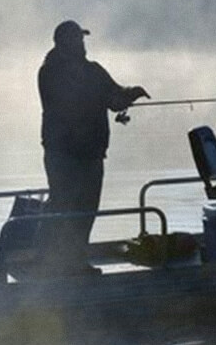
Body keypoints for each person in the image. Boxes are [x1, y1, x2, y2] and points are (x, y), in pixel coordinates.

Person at [37, 20, 149, 268]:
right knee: (65, 208)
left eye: (82, 39)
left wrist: (132, 93)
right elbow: (71, 102)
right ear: (63, 42)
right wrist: (108, 98)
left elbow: (115, 97)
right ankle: (56, 263)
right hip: (62, 155)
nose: (82, 44)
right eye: (77, 39)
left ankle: (75, 261)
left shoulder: (93, 71)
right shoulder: (49, 72)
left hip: (91, 155)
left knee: (86, 210)